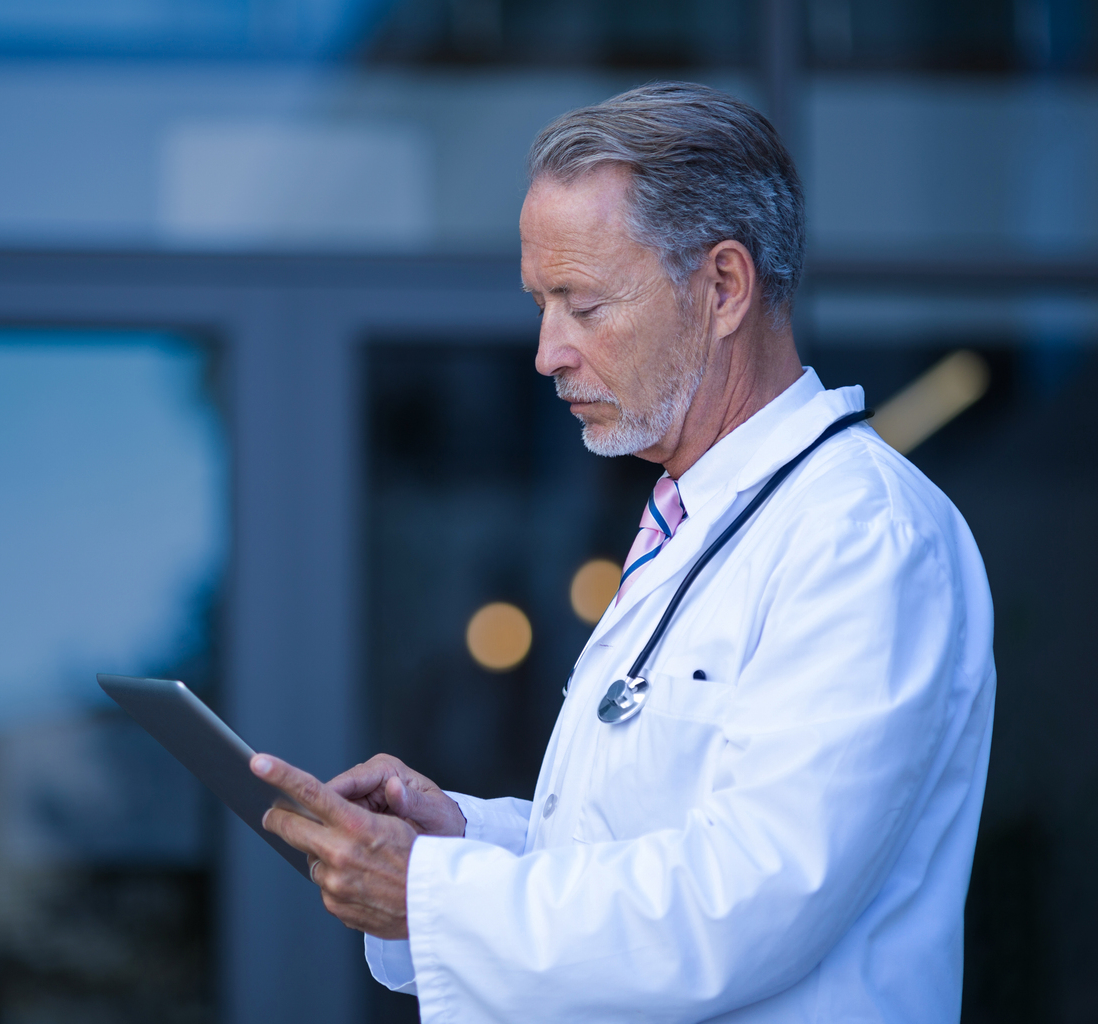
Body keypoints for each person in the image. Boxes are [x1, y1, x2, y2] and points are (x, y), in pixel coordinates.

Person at [249, 81, 996, 1023]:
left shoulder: (862, 535)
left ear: (724, 287)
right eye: (540, 304)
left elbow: (749, 900)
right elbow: (642, 853)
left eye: (583, 305)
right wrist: (459, 839)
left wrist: (431, 896)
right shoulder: (702, 521)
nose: (546, 352)